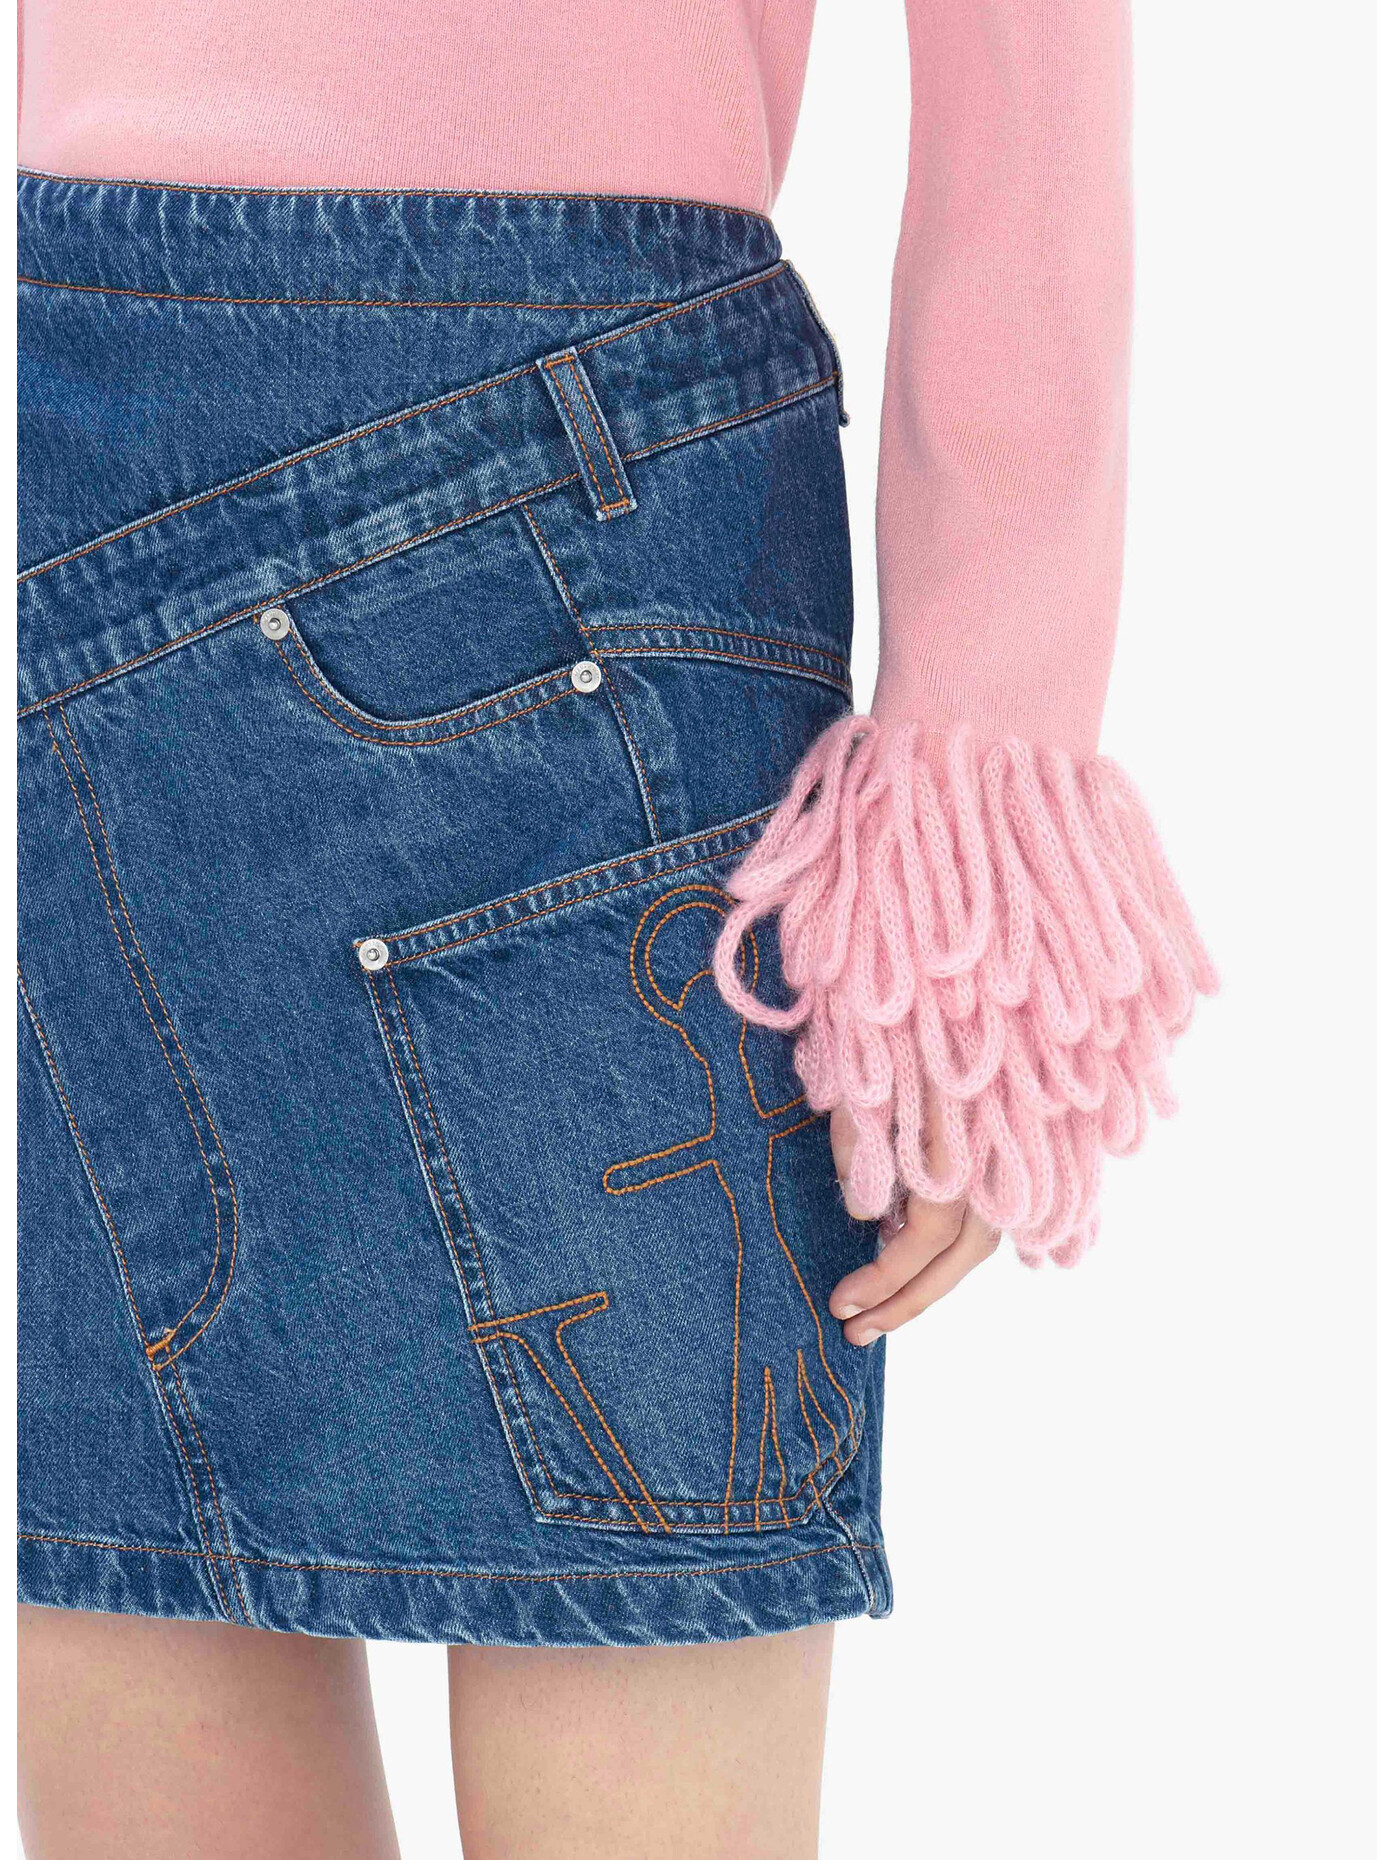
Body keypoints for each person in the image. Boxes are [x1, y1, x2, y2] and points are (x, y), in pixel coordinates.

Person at [15, 2, 1214, 1855]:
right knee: (131, 1593)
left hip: (481, 465)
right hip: (204, 430)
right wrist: (980, 793)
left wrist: (977, 826)